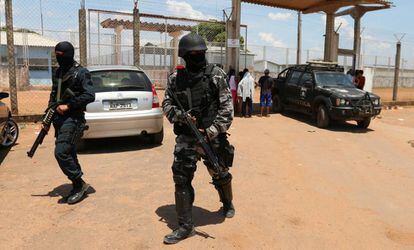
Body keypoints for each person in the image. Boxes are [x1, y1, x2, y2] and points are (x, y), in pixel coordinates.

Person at [162, 33, 235, 244]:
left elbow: (227, 109)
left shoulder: (216, 75)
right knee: (181, 178)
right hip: (187, 137)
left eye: (201, 54)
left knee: (220, 173)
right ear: (185, 55)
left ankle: (227, 202)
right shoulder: (176, 79)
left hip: (212, 137)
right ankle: (185, 226)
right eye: (194, 54)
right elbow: (167, 104)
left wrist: (211, 131)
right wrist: (181, 116)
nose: (198, 57)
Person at [44, 41, 95, 204]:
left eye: (61, 56)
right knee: (69, 152)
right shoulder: (58, 72)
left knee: (61, 152)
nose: (58, 59)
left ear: (68, 55)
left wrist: (69, 105)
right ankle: (77, 184)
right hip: (58, 119)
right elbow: (53, 95)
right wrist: (47, 117)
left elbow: (90, 95)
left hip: (73, 118)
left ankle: (79, 184)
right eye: (56, 56)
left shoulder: (81, 73)